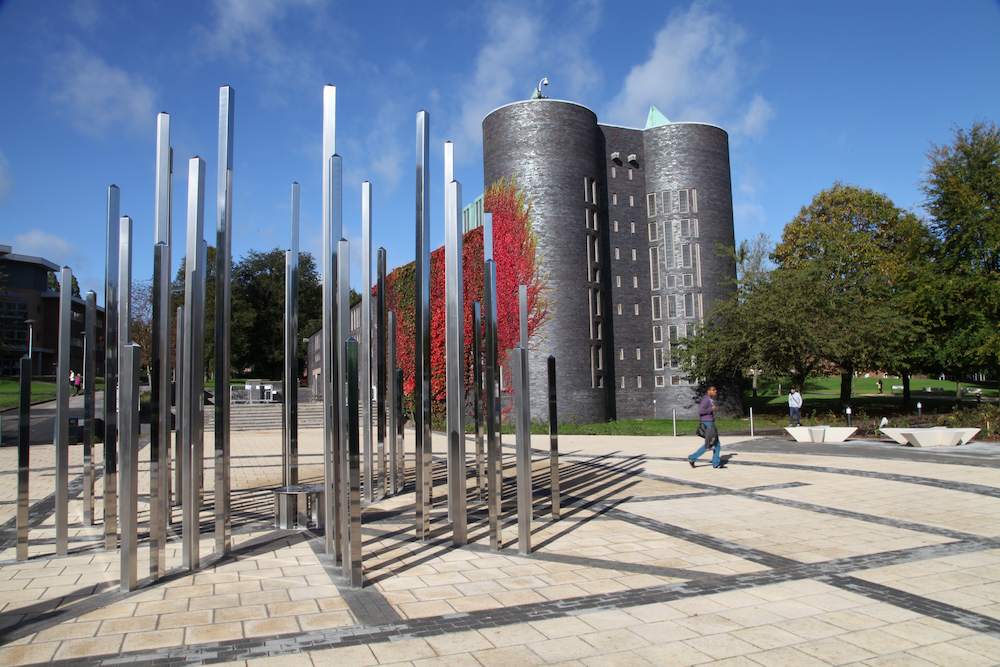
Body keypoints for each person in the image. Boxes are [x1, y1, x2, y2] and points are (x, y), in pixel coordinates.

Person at [687, 386, 723, 469]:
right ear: (709, 391)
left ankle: (715, 463)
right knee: (710, 444)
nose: (715, 391)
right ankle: (692, 457)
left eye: (715, 390)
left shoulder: (710, 399)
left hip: (710, 422)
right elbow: (701, 411)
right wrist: (711, 409)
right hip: (708, 423)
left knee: (716, 444)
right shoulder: (706, 399)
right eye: (713, 390)